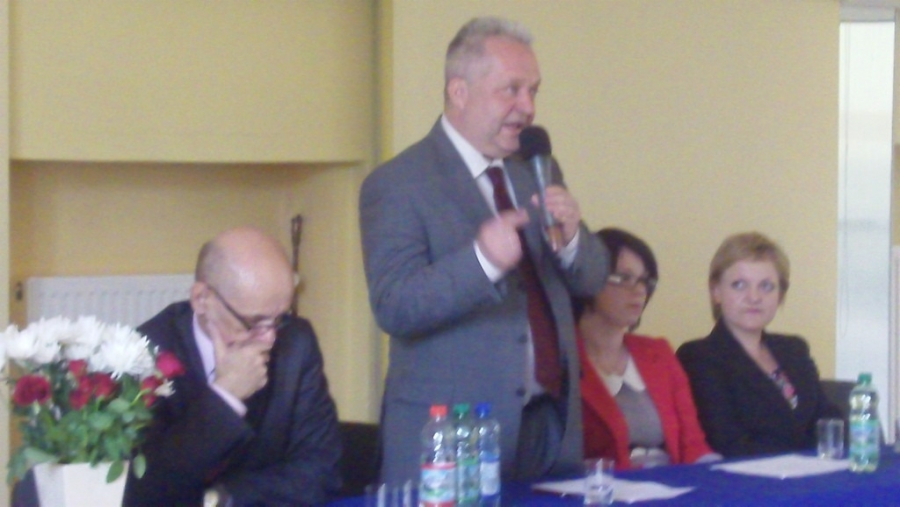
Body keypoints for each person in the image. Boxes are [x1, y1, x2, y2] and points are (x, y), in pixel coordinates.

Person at [359, 17, 608, 484]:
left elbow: (592, 278)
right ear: (460, 91)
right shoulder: (398, 183)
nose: (528, 107)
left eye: (533, 91)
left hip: (550, 427)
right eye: (511, 90)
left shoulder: (537, 167)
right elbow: (394, 305)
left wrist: (574, 239)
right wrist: (482, 262)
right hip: (452, 440)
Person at [123, 227, 342, 506]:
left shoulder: (295, 342)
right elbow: (145, 489)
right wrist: (225, 397)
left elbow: (322, 471)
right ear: (202, 299)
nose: (269, 338)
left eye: (279, 319)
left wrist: (221, 498)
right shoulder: (143, 355)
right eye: (254, 322)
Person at [676, 232, 841, 458]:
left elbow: (830, 422)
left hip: (815, 473)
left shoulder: (794, 349)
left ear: (780, 294)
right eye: (739, 285)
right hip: (748, 477)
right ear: (716, 292)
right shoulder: (699, 357)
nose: (754, 297)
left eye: (766, 286)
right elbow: (728, 443)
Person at [575, 228, 718, 469]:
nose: (639, 290)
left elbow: (693, 444)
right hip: (603, 486)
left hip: (674, 483)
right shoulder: (559, 359)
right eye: (624, 278)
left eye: (644, 280)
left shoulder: (658, 353)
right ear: (589, 280)